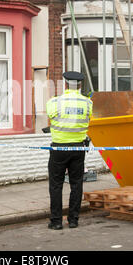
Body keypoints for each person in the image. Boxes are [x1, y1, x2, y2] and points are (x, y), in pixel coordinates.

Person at [45, 71, 93, 230]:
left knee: (56, 185)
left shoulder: (55, 102)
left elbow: (50, 116)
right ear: (80, 85)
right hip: (79, 148)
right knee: (76, 184)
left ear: (65, 84)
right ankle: (73, 220)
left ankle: (56, 221)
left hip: (59, 148)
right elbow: (89, 118)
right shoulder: (87, 103)